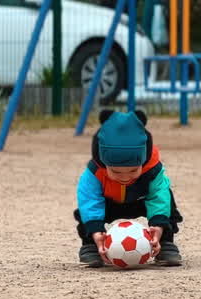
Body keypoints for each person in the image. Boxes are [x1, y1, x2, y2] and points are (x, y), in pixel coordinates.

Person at [74, 109, 184, 267]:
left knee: (167, 201)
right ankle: (91, 245)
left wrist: (158, 226)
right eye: (116, 171)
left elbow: (158, 197)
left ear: (143, 160)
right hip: (109, 204)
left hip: (140, 201)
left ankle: (165, 243)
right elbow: (90, 200)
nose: (125, 177)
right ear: (105, 164)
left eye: (133, 171)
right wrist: (96, 231)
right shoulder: (94, 172)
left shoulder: (152, 169)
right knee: (85, 212)